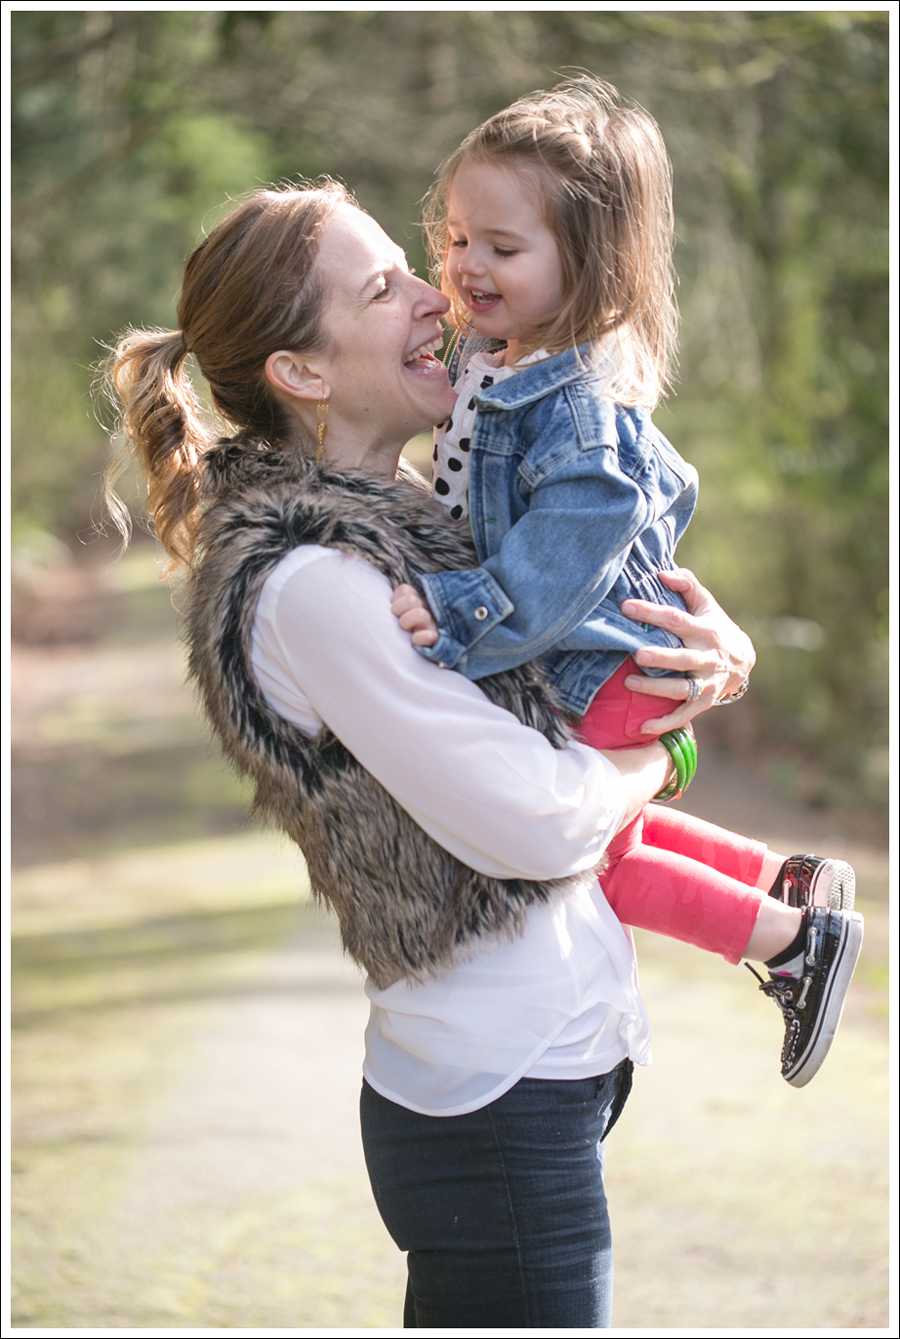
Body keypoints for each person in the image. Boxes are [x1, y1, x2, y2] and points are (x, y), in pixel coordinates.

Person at [102, 181, 785, 1328]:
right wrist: (665, 761)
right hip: (493, 1088)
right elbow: (524, 816)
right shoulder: (316, 579)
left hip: (542, 1066)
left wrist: (718, 654)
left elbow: (578, 674)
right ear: (303, 373)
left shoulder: (424, 515)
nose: (438, 294)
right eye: (383, 287)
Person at [390, 77, 863, 1088]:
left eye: (503, 249)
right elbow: (659, 484)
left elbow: (580, 534)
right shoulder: (505, 359)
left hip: (588, 660)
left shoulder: (571, 406)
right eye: (459, 234)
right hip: (599, 655)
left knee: (589, 852)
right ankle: (783, 881)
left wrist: (460, 612)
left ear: (592, 267)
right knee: (624, 823)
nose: (468, 264)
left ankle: (784, 939)